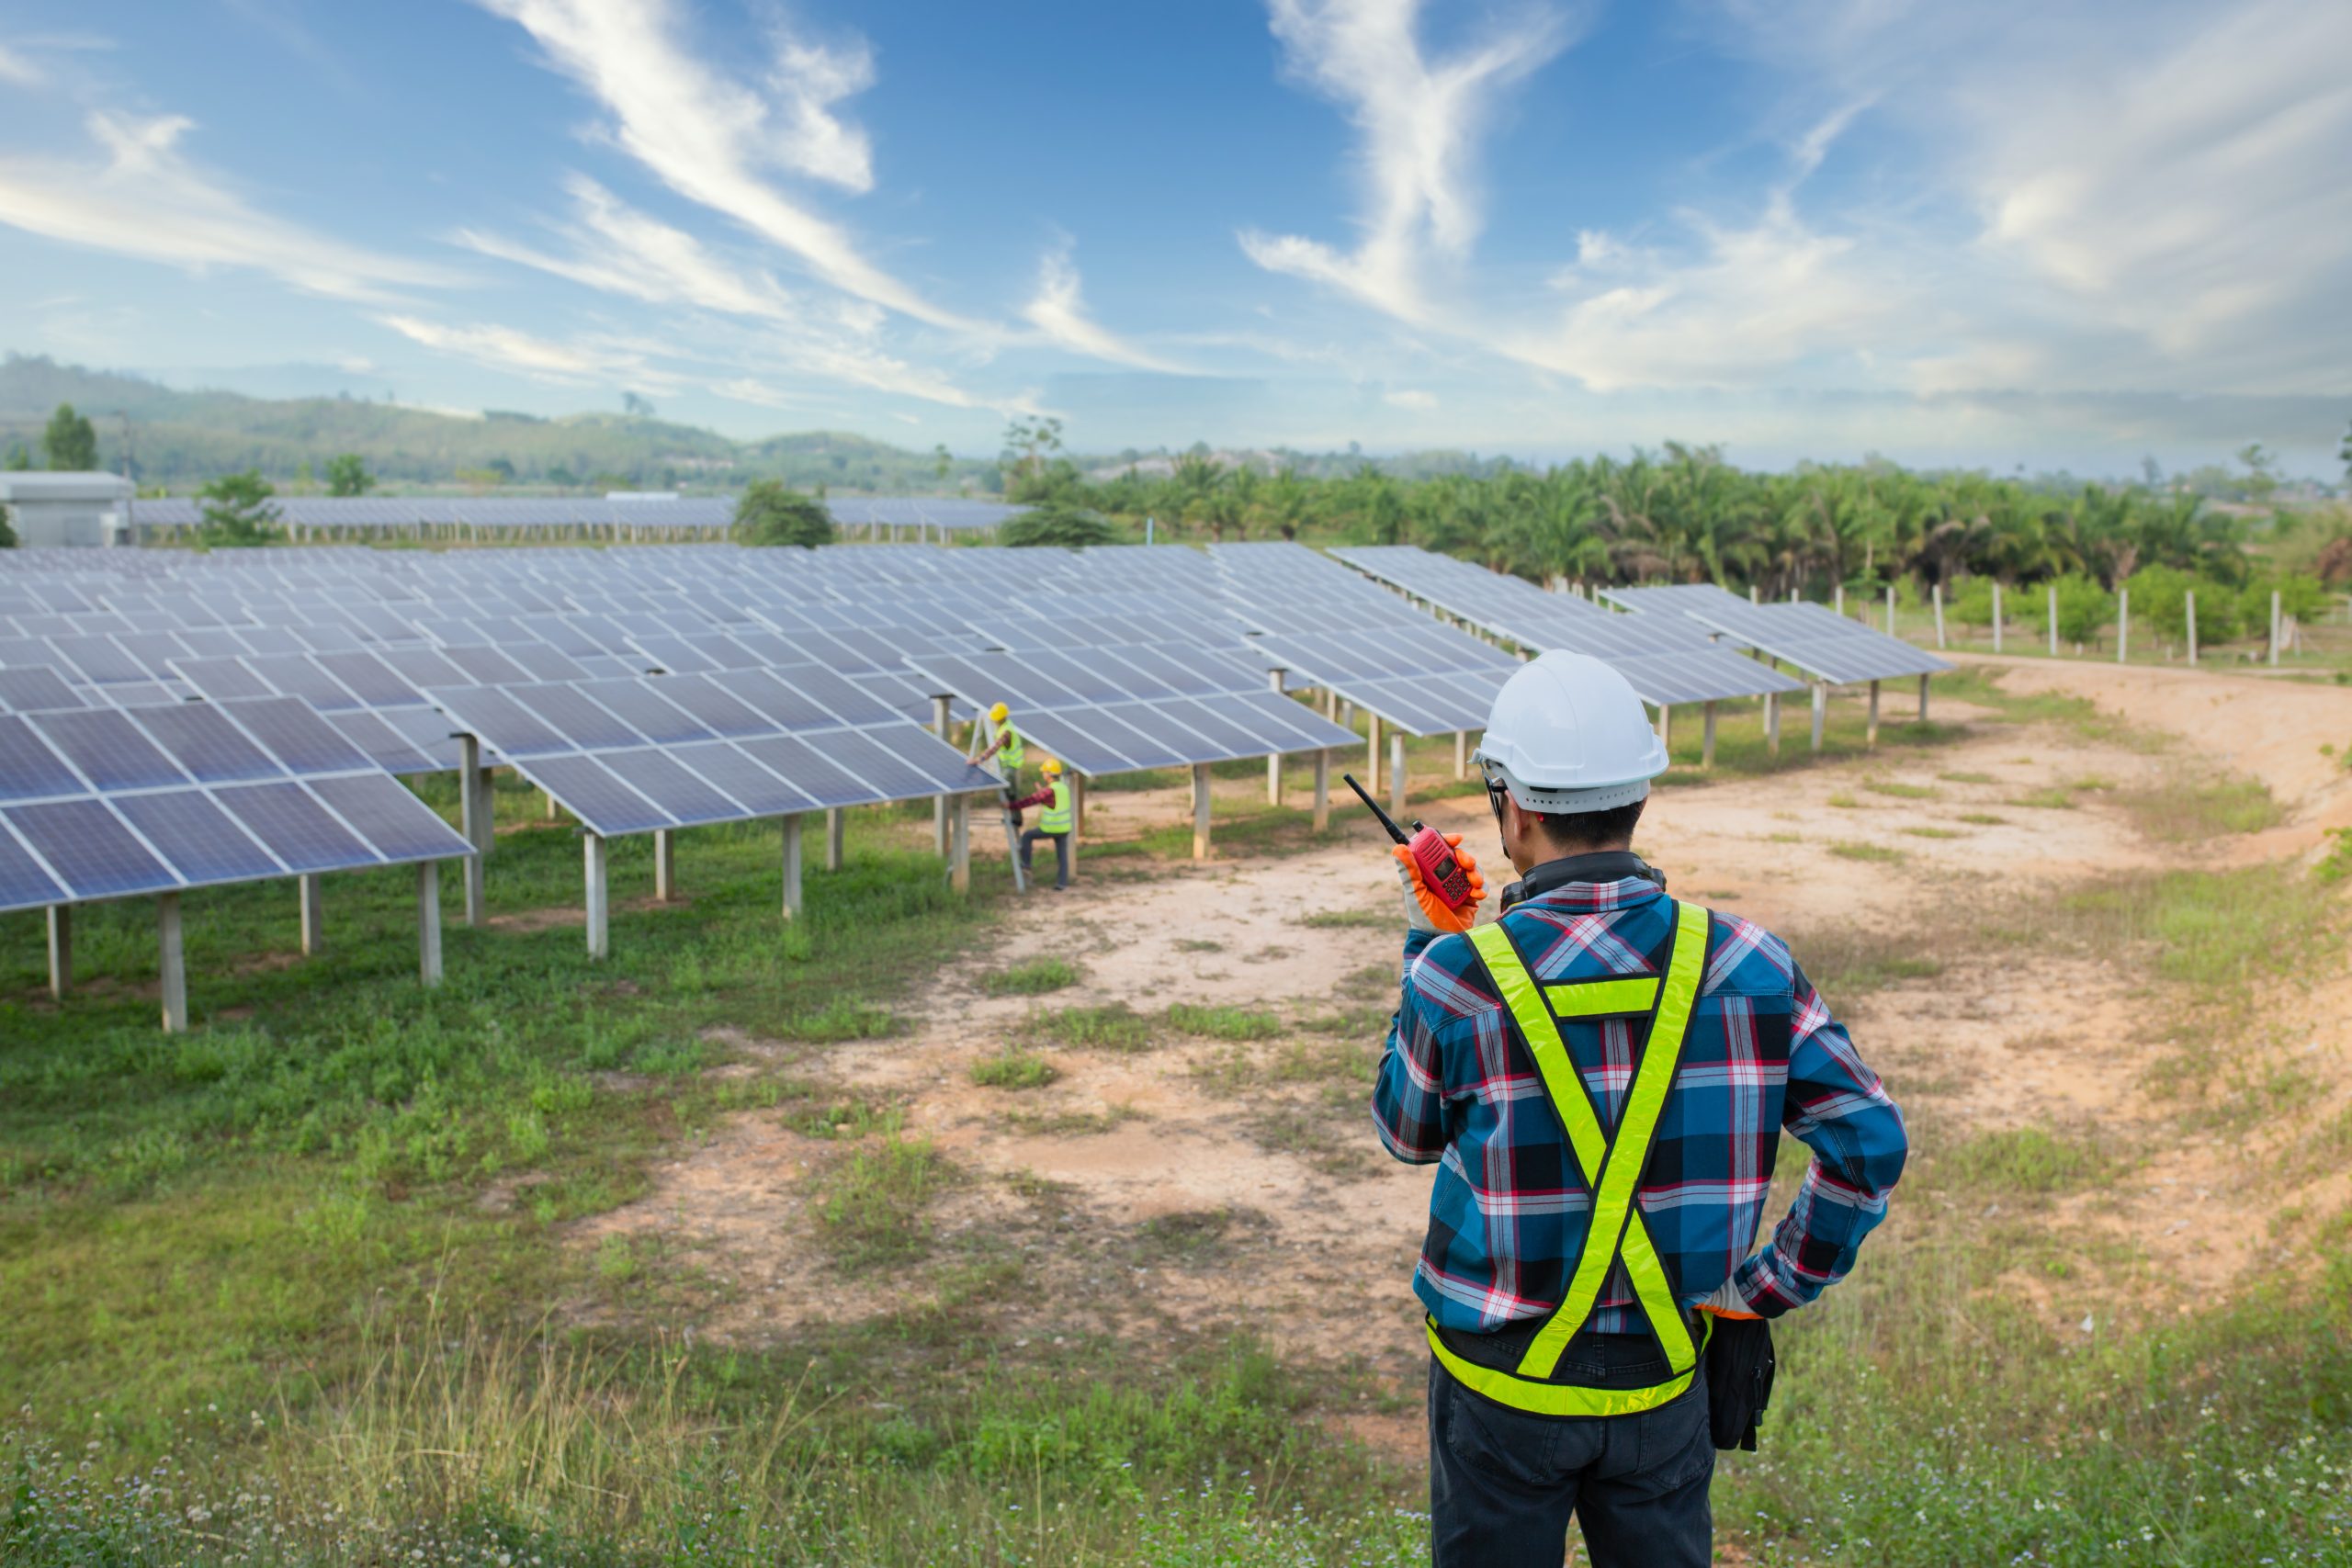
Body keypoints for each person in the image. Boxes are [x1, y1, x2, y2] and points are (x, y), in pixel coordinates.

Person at [1374, 650, 1908, 1568]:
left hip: (1498, 1395)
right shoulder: (1750, 962)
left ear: (1516, 807)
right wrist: (1757, 1294)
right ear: (1637, 798)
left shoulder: (1457, 979)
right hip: (1663, 1390)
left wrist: (1432, 942)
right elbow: (1867, 1144)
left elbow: (1405, 1132)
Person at [1008, 757, 1075, 891]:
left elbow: (1030, 801)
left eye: (1044, 771)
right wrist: (1041, 792)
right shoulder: (1063, 787)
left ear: (1049, 774)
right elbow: (1052, 802)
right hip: (1064, 828)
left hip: (1051, 827)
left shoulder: (1049, 790)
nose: (1043, 774)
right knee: (1062, 855)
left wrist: (1011, 806)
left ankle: (1026, 865)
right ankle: (1062, 883)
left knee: (1027, 836)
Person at [974, 701, 1026, 795]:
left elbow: (995, 747)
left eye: (995, 718)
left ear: (1001, 718)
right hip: (1008, 765)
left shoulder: (1006, 732)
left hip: (1011, 766)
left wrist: (980, 759)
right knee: (1010, 794)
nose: (994, 721)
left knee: (1006, 789)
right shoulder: (1006, 726)